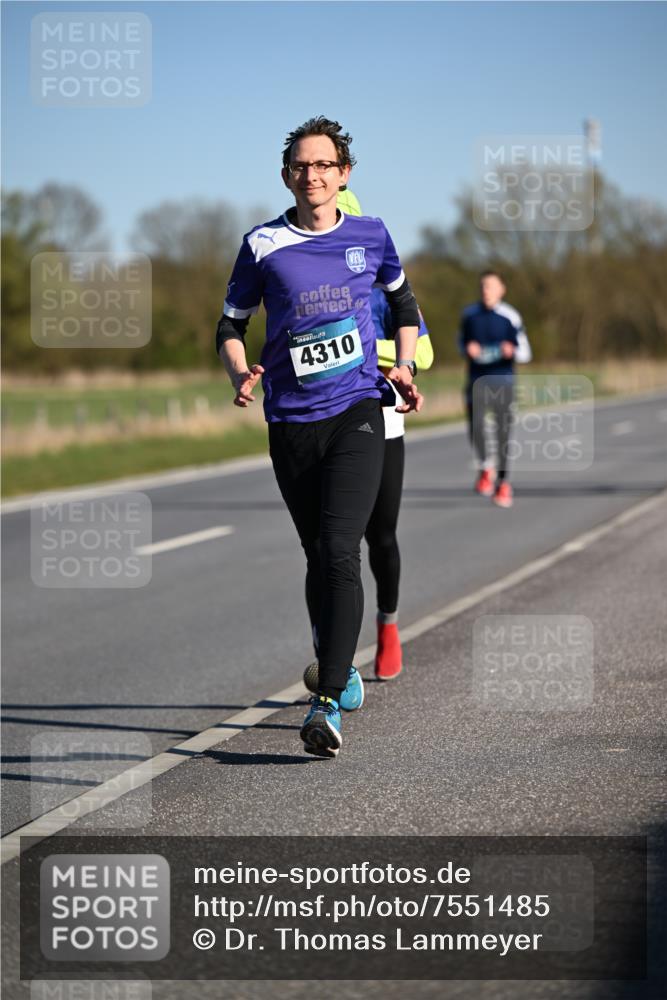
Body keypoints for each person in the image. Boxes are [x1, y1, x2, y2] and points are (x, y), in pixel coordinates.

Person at [216, 117, 423, 758]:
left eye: (325, 165)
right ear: (287, 176)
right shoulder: (262, 244)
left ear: (344, 174)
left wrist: (405, 364)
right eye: (302, 167)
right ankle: (339, 661)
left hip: (358, 409)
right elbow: (230, 323)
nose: (314, 176)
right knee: (317, 555)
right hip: (291, 422)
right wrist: (239, 370)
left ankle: (325, 699)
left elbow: (406, 306)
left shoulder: (371, 234)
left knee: (340, 550)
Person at [302, 191, 434, 689]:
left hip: (381, 421)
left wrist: (366, 351)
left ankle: (389, 624)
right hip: (316, 423)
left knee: (378, 537)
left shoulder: (384, 288)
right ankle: (333, 658)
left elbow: (424, 352)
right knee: (326, 549)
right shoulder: (307, 288)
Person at [458, 270, 531, 508]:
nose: (485, 291)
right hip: (477, 381)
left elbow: (526, 353)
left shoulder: (511, 316)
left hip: (503, 381)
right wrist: (468, 349)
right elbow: (460, 343)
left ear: (502, 290)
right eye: (482, 286)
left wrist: (512, 351)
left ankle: (503, 483)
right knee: (476, 428)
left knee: (502, 433)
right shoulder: (469, 315)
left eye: (490, 286)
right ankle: (484, 466)